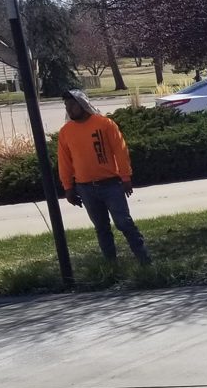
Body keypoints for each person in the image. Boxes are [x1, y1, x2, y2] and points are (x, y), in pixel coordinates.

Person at [57, 90, 151, 266]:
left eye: (72, 104)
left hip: (111, 185)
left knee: (124, 223)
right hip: (85, 188)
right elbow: (64, 162)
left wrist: (125, 177)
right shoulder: (65, 132)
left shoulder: (104, 124)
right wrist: (68, 187)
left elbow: (120, 151)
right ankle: (112, 267)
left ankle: (145, 260)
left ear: (83, 104)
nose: (69, 109)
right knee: (101, 228)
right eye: (66, 105)